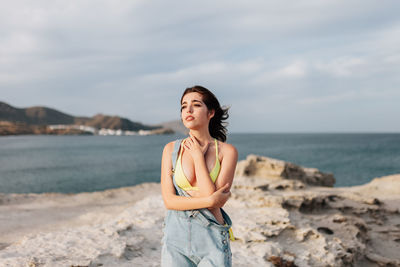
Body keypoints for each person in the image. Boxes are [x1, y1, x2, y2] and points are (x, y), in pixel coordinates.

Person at [160, 85, 238, 266]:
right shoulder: (170, 150)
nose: (188, 110)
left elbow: (215, 199)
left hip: (211, 238)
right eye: (183, 106)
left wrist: (197, 157)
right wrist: (210, 201)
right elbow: (169, 201)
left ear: (210, 112)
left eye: (196, 105)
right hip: (175, 239)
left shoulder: (227, 152)